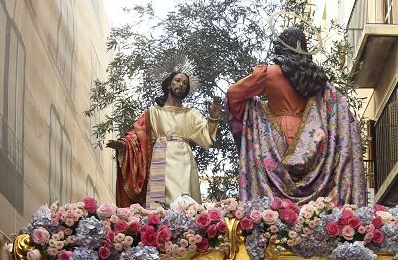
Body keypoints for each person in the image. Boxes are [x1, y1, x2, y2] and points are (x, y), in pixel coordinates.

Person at [227, 27, 366, 206]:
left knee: (276, 200)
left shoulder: (269, 73)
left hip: (275, 138)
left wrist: (256, 111)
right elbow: (338, 108)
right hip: (312, 137)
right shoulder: (316, 78)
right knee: (313, 206)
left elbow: (234, 94)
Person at [108, 71, 221, 207]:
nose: (181, 84)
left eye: (185, 83)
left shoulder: (191, 114)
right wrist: (124, 145)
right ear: (169, 84)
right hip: (160, 160)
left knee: (186, 202)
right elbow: (137, 136)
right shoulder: (154, 112)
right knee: (161, 204)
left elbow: (206, 137)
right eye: (178, 80)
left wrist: (213, 118)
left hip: (184, 163)